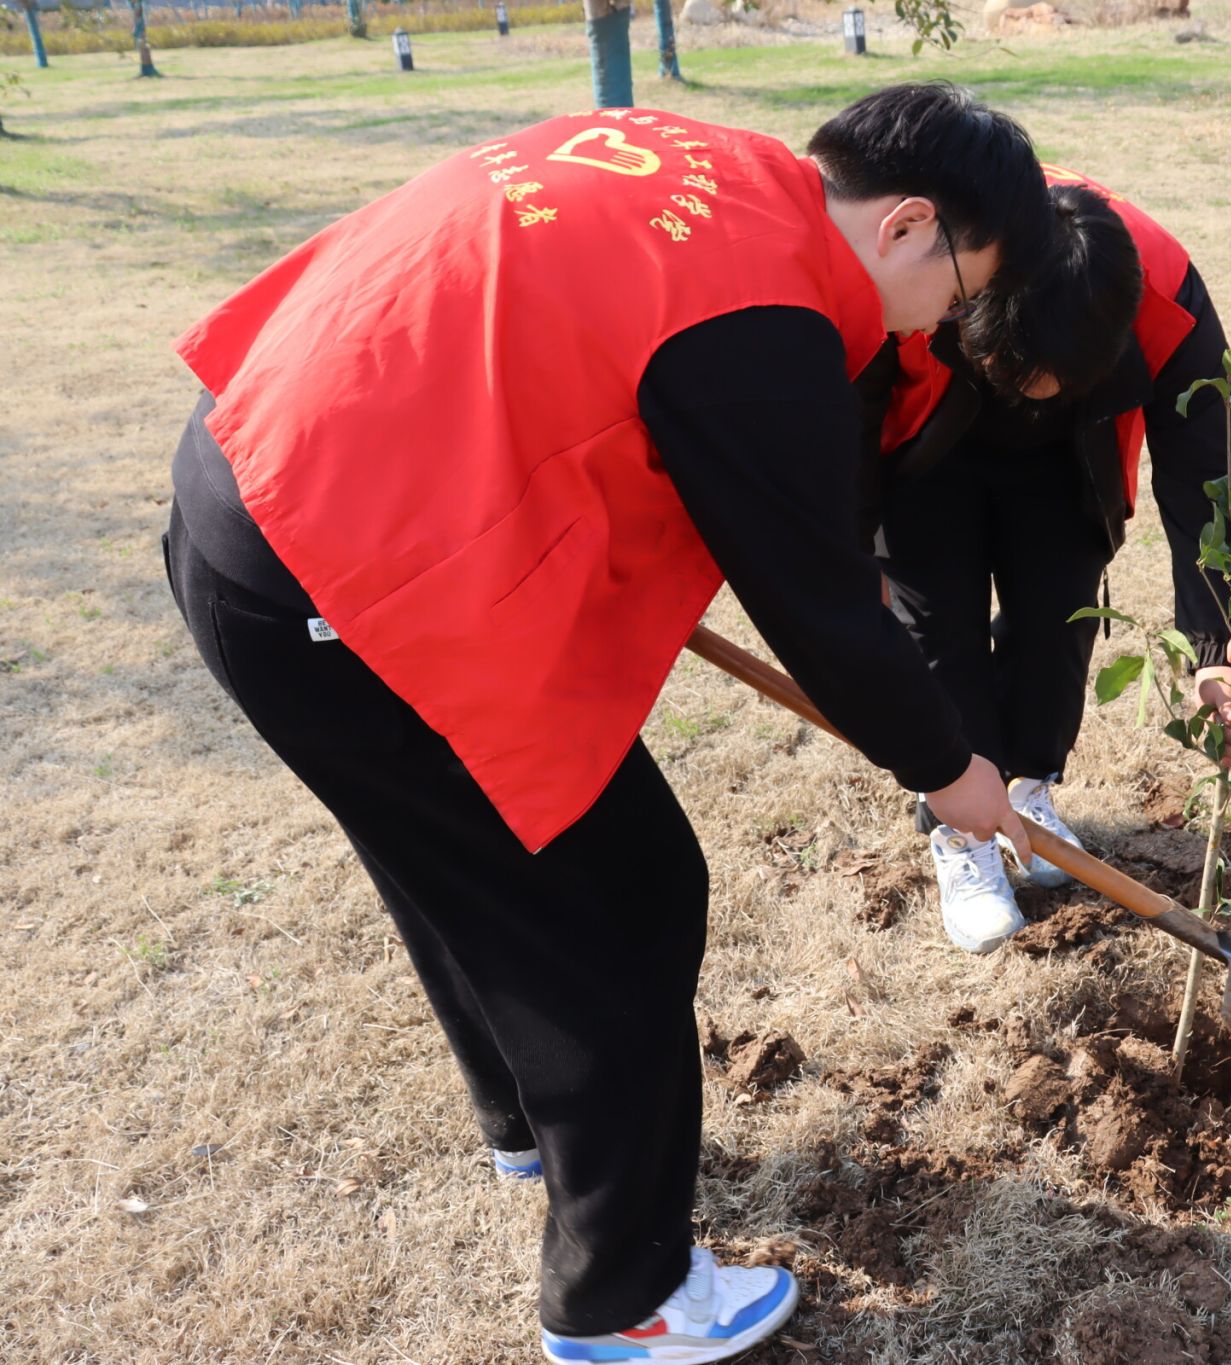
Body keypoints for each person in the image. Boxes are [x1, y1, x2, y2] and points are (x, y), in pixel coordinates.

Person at [162, 84, 1052, 1364]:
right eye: (961, 293)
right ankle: (619, 1297)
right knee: (619, 900)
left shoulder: (710, 165)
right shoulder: (763, 312)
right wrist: (948, 769)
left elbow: (596, 366)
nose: (945, 325)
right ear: (908, 223)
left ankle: (532, 1128)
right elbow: (818, 613)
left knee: (467, 864)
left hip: (260, 485)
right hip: (334, 578)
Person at [858, 167, 1231, 953]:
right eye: (1024, 372)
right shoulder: (926, 265)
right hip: (926, 445)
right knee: (939, 628)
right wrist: (855, 551)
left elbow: (1207, 468)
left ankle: (1028, 789)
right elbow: (845, 416)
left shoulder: (1162, 291)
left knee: (1059, 614)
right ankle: (961, 832)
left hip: (1068, 455)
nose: (1035, 388)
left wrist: (1213, 646)